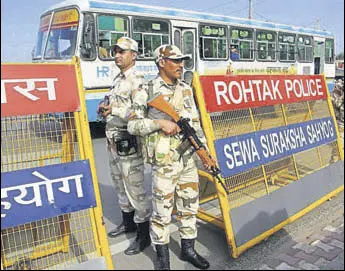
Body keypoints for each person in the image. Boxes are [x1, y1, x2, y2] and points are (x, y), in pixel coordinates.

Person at [128, 44, 210, 270]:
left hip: (187, 160)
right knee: (162, 212)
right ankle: (163, 260)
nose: (181, 65)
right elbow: (133, 125)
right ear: (161, 62)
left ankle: (188, 250)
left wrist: (205, 153)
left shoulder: (185, 89)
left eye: (182, 60)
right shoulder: (147, 89)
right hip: (164, 162)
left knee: (189, 205)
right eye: (176, 60)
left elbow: (195, 124)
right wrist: (159, 123)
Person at [97, 37, 151, 255]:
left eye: (122, 51)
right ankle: (128, 224)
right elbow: (114, 104)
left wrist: (115, 111)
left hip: (128, 143)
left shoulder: (138, 81)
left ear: (133, 55)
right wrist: (104, 106)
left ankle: (143, 235)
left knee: (135, 191)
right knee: (120, 186)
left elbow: (139, 115)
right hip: (113, 142)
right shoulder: (118, 79)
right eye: (115, 51)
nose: (117, 55)